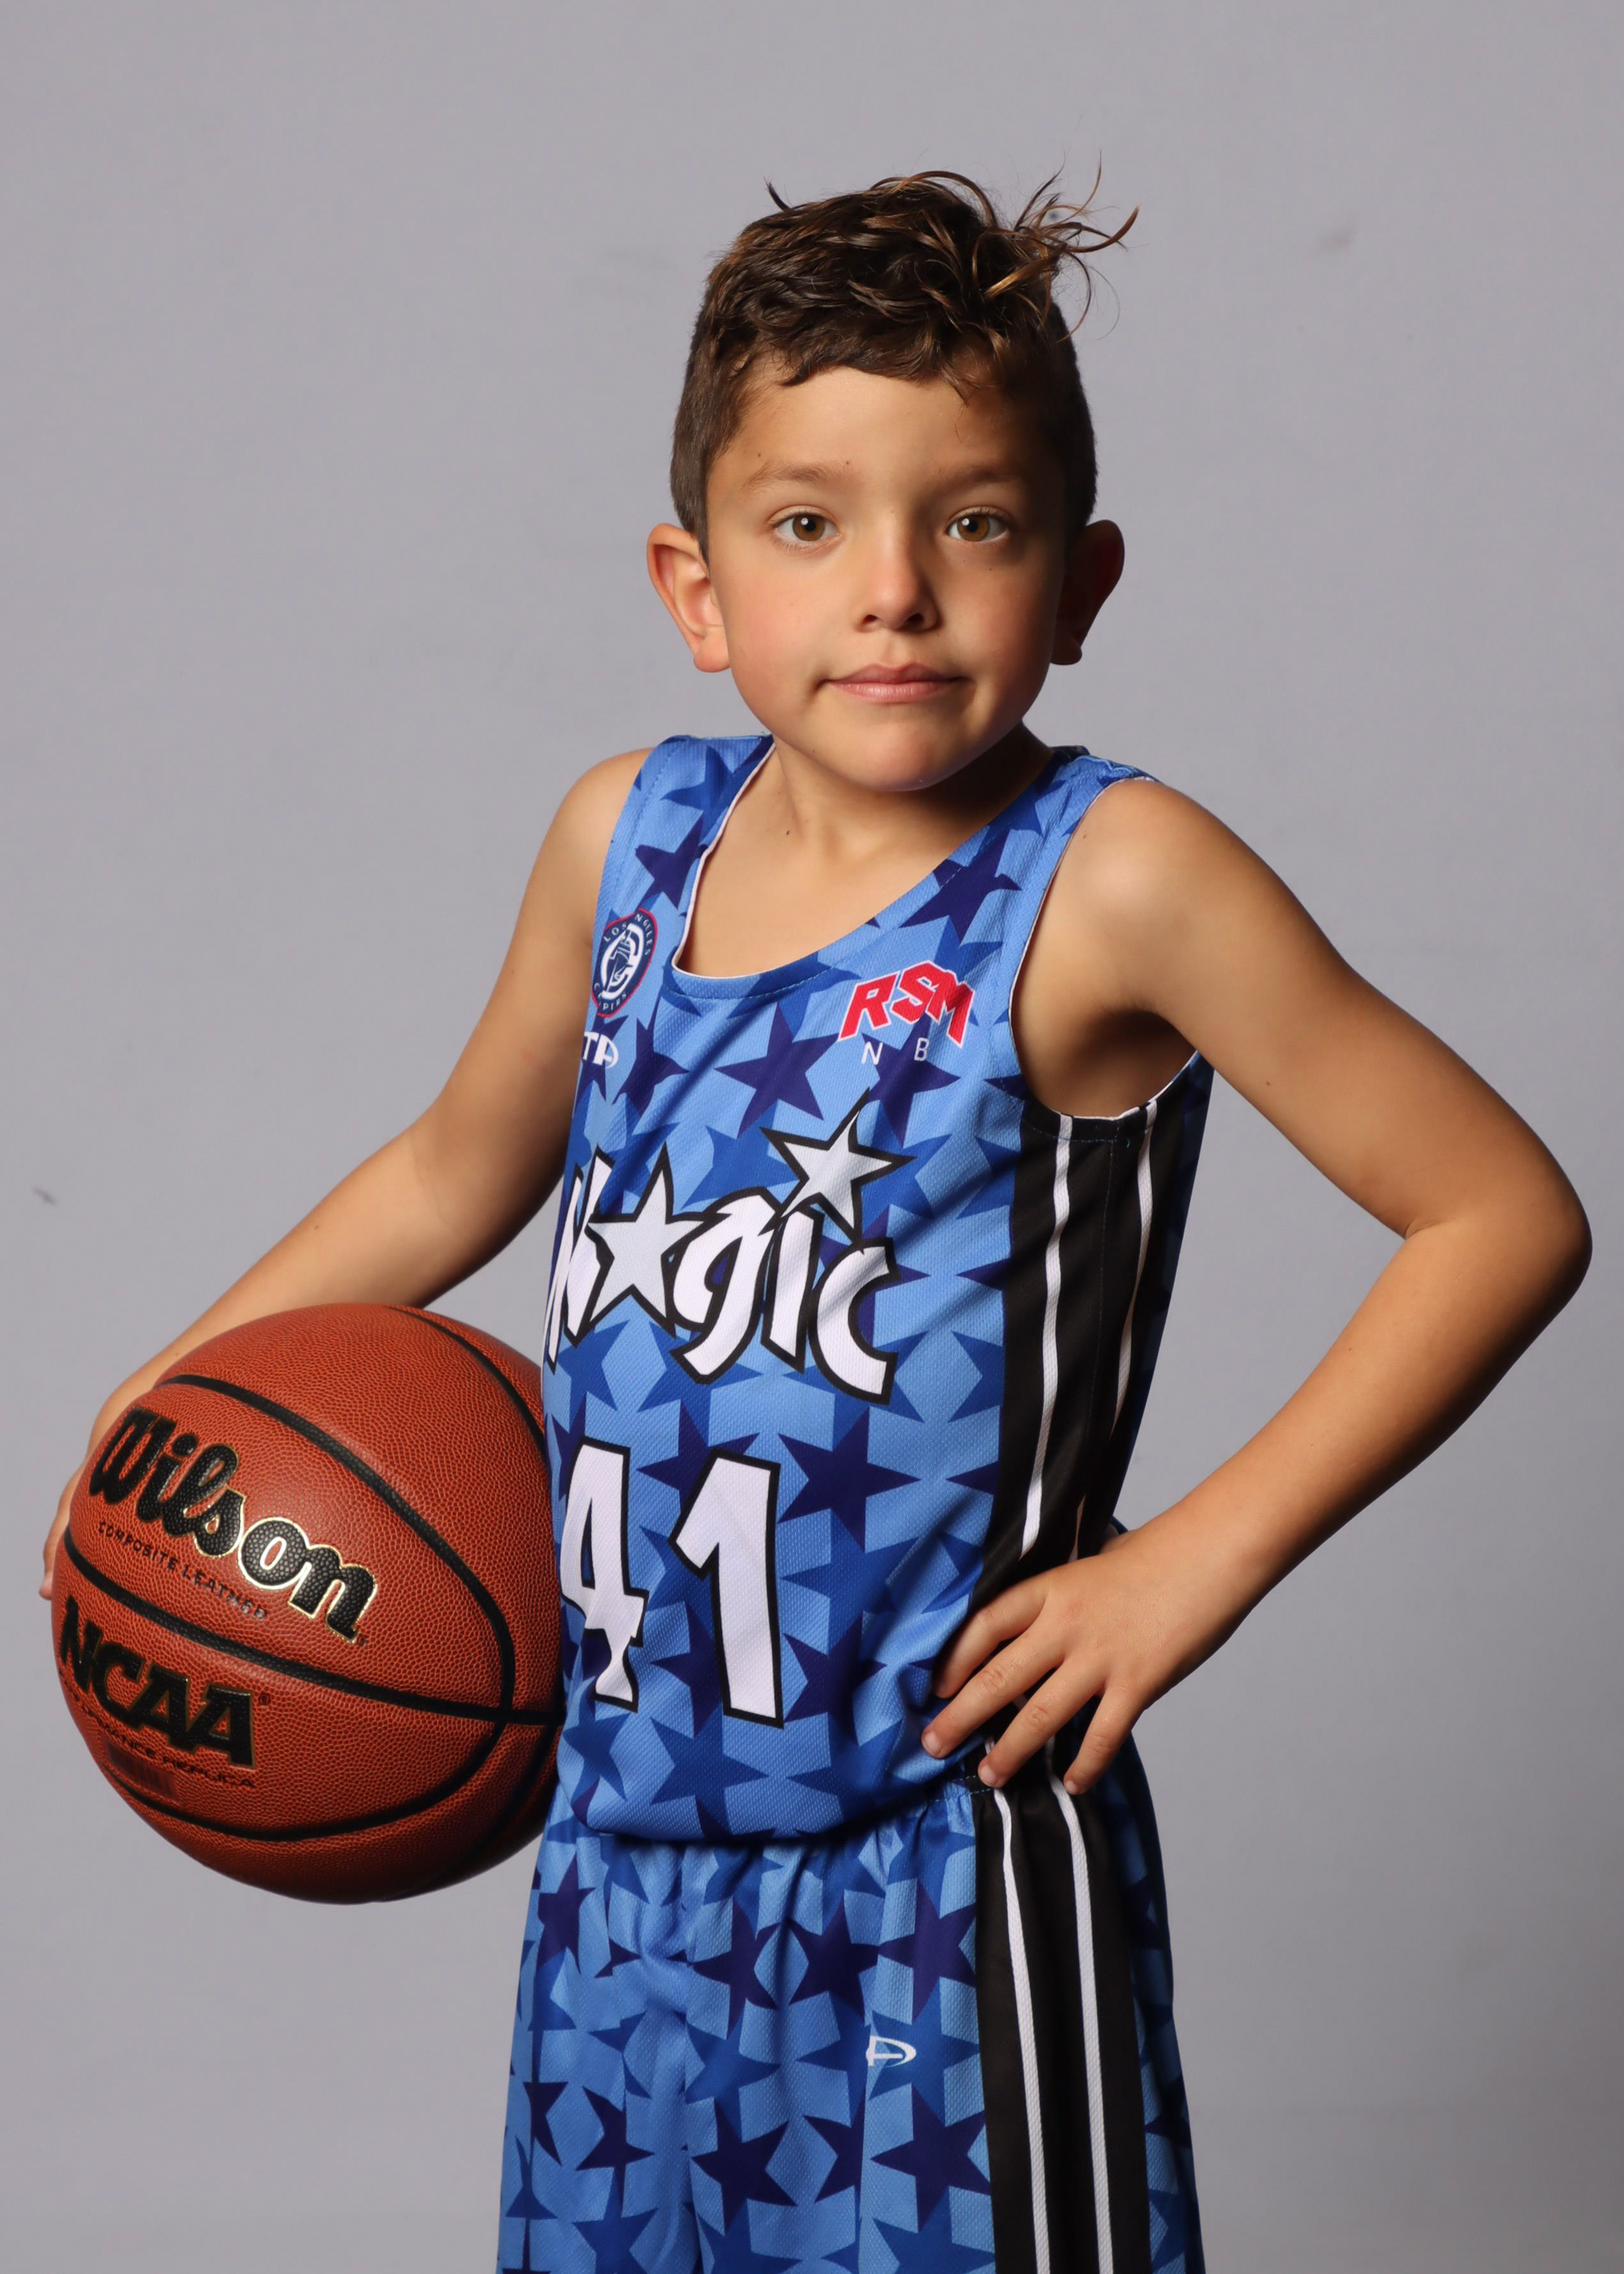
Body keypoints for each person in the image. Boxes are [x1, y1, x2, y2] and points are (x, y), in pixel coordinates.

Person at [42, 173, 1590, 2274]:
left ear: (1082, 577)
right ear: (693, 587)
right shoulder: (627, 841)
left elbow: (1496, 1211)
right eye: (806, 524)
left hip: (942, 1854)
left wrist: (1188, 1568)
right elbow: (451, 1170)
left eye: (977, 522)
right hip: (620, 1866)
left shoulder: (1112, 879)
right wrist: (169, 1412)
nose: (893, 592)